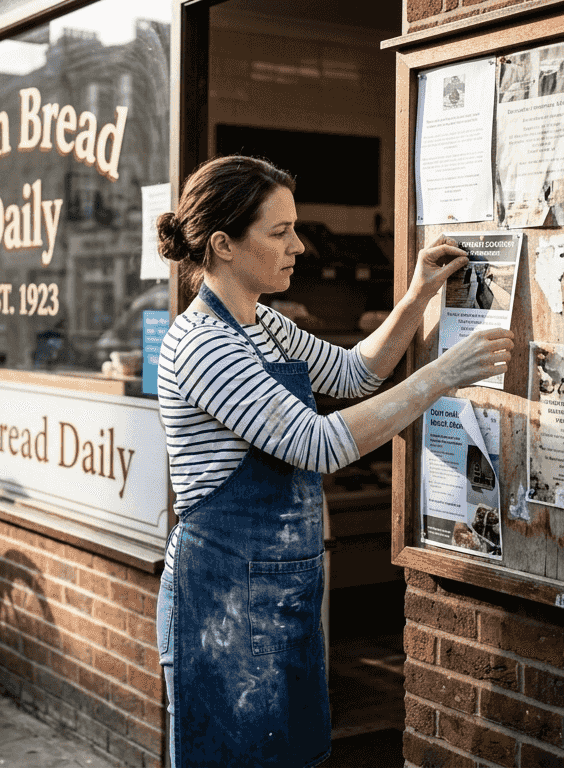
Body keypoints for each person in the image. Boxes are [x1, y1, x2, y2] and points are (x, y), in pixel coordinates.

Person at [153, 155, 514, 767]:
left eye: (295, 228)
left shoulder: (262, 324)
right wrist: (442, 376)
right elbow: (316, 443)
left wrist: (418, 295)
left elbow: (354, 373)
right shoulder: (201, 345)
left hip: (282, 592)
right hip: (222, 604)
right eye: (279, 232)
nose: (299, 246)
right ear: (222, 244)